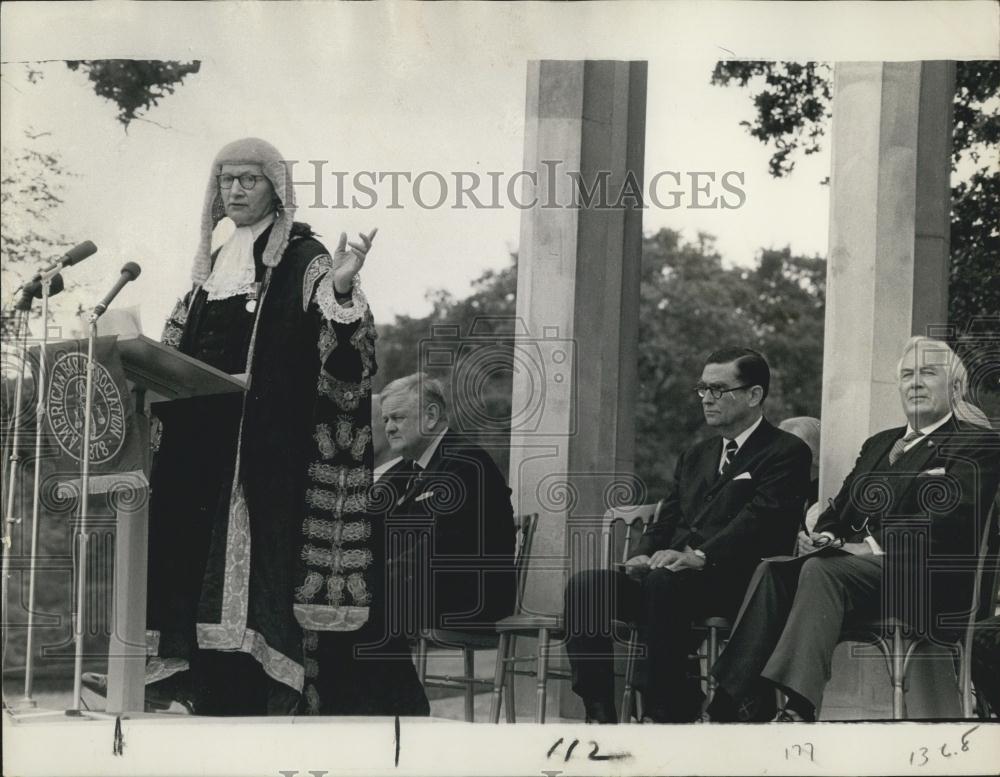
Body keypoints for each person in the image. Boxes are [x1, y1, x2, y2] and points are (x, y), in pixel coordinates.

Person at [86, 137, 379, 715]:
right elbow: (175, 344)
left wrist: (343, 287)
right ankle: (179, 683)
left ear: (276, 187)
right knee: (185, 553)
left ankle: (238, 689)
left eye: (249, 179)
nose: (236, 190)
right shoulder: (214, 263)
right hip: (197, 431)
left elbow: (346, 354)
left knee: (241, 566)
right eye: (227, 181)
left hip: (260, 442)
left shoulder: (305, 256)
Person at [709, 336, 1000, 722]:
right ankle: (736, 701)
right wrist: (827, 534)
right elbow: (840, 508)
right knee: (774, 569)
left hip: (932, 582)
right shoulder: (879, 444)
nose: (915, 383)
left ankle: (798, 707)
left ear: (956, 387)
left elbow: (953, 518)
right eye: (908, 375)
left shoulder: (978, 443)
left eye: (928, 374)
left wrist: (873, 545)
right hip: (861, 578)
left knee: (820, 570)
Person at [563, 347, 813, 723]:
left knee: (665, 583)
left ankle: (665, 711)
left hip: (738, 583)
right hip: (673, 579)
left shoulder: (786, 451)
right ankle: (599, 712)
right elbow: (669, 517)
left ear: (754, 395)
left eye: (718, 389)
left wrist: (700, 556)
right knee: (587, 588)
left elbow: (759, 520)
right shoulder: (695, 455)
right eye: (703, 389)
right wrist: (644, 553)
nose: (707, 399)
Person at [378, 373, 517, 634]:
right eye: (385, 419)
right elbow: (369, 528)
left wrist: (373, 579)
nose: (389, 428)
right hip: (418, 588)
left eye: (398, 417)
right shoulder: (401, 472)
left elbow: (438, 546)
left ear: (431, 416)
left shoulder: (465, 463)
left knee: (350, 607)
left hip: (467, 597)